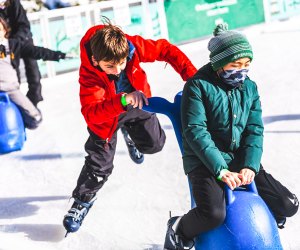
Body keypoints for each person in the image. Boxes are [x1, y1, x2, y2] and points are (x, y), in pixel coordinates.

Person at [163, 23, 299, 250]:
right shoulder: (197, 86)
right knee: (214, 214)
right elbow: (196, 130)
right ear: (218, 63)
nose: (242, 71)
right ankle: (178, 228)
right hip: (205, 163)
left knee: (287, 205)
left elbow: (254, 130)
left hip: (239, 158)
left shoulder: (250, 88)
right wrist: (220, 169)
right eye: (235, 65)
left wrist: (250, 166)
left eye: (247, 65)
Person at [62, 18, 197, 235]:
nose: (117, 70)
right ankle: (81, 202)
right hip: (106, 118)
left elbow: (166, 49)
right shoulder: (89, 74)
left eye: (122, 63)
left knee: (155, 144)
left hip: (138, 102)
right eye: (110, 66)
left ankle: (131, 135)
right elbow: (91, 114)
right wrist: (122, 101)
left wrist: (192, 78)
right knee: (100, 167)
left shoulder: (131, 47)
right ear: (96, 60)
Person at [0, 16, 65, 129]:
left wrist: (56, 55)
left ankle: (19, 125)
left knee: (35, 119)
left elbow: (35, 51)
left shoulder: (13, 45)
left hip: (11, 90)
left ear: (4, 30)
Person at [0, 0, 44, 107]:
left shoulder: (14, 3)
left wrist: (16, 41)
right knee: (13, 73)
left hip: (24, 39)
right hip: (8, 44)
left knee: (33, 72)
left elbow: (24, 24)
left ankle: (33, 101)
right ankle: (15, 103)